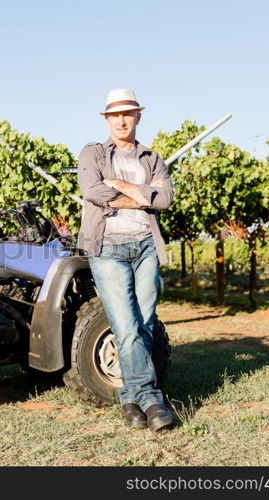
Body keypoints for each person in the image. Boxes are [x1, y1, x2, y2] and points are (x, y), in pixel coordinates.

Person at [76, 88, 175, 432]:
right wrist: (141, 195)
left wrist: (121, 188)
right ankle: (151, 398)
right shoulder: (93, 153)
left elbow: (165, 199)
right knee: (126, 325)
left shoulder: (152, 159)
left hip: (146, 246)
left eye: (128, 114)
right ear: (107, 119)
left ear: (138, 117)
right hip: (107, 249)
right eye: (114, 115)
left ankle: (130, 396)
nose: (121, 120)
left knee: (145, 324)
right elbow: (92, 191)